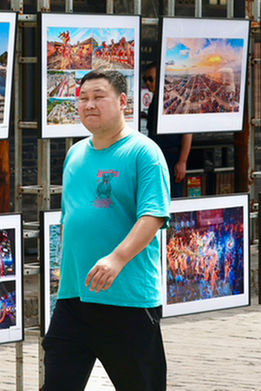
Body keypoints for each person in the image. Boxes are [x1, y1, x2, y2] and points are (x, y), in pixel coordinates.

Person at [43, 69, 171, 391]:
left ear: (123, 102)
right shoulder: (74, 154)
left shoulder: (144, 153)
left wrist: (116, 258)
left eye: (99, 96)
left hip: (126, 300)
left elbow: (153, 217)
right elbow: (69, 218)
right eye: (83, 98)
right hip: (73, 297)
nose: (89, 104)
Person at [143, 61, 193, 197]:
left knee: (173, 198)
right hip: (156, 156)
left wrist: (182, 161)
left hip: (171, 156)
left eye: (151, 79)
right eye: (145, 79)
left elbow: (188, 132)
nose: (147, 83)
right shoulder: (156, 100)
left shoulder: (175, 100)